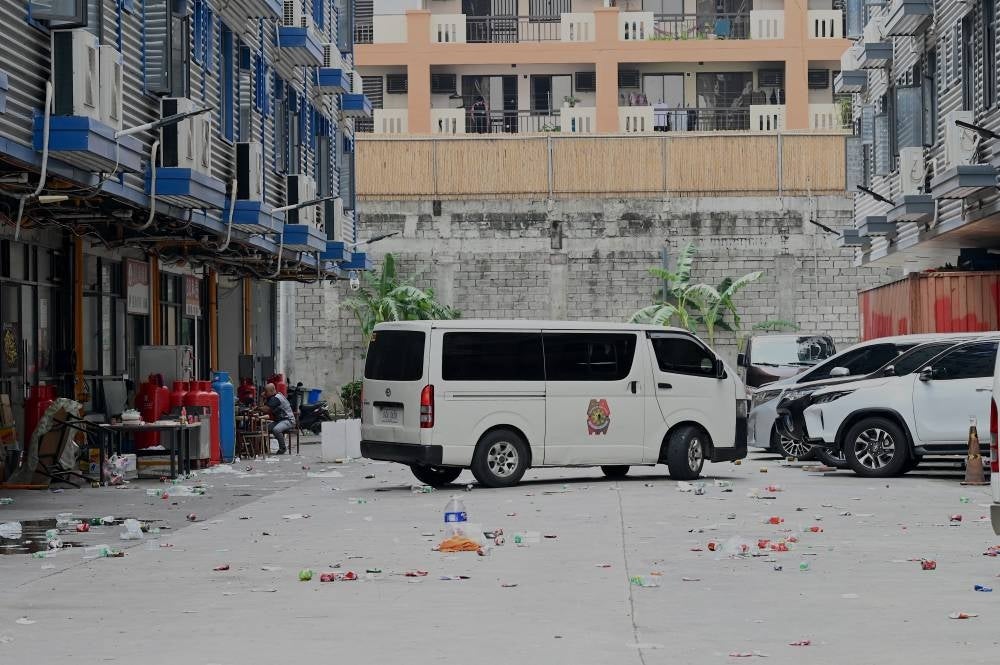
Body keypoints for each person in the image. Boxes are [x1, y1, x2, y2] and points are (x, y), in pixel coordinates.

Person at [260, 382, 295, 454]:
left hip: (288, 420)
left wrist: (257, 408)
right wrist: (262, 398)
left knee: (276, 430)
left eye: (266, 391)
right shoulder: (271, 398)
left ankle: (282, 448)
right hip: (279, 421)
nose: (265, 393)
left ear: (272, 391)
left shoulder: (276, 398)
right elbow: (265, 408)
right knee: (263, 428)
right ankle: (264, 448)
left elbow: (266, 409)